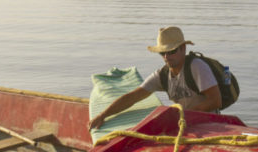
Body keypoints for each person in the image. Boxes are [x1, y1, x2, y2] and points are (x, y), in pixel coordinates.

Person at [88, 26, 221, 131]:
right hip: (185, 124)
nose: (166, 57)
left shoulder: (197, 67)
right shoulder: (162, 75)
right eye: (163, 53)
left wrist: (186, 115)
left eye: (172, 51)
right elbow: (133, 97)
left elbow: (215, 101)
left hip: (209, 123)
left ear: (183, 48)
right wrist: (103, 115)